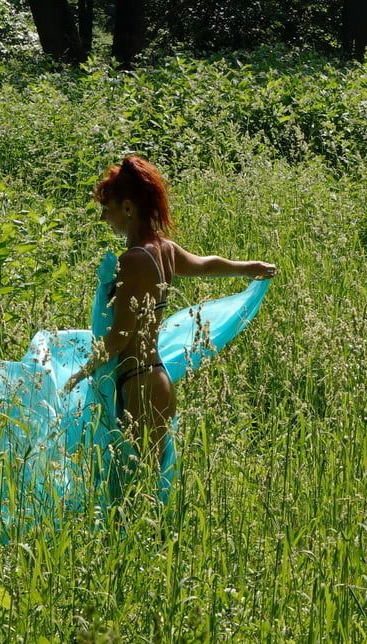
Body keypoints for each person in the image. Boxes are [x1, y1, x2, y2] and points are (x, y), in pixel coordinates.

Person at [63, 155, 277, 472]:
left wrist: (81, 373)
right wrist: (248, 267)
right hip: (155, 379)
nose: (103, 217)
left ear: (127, 207)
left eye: (107, 208)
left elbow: (120, 336)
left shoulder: (134, 260)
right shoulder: (164, 249)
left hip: (139, 386)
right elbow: (206, 264)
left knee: (132, 489)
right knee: (146, 486)